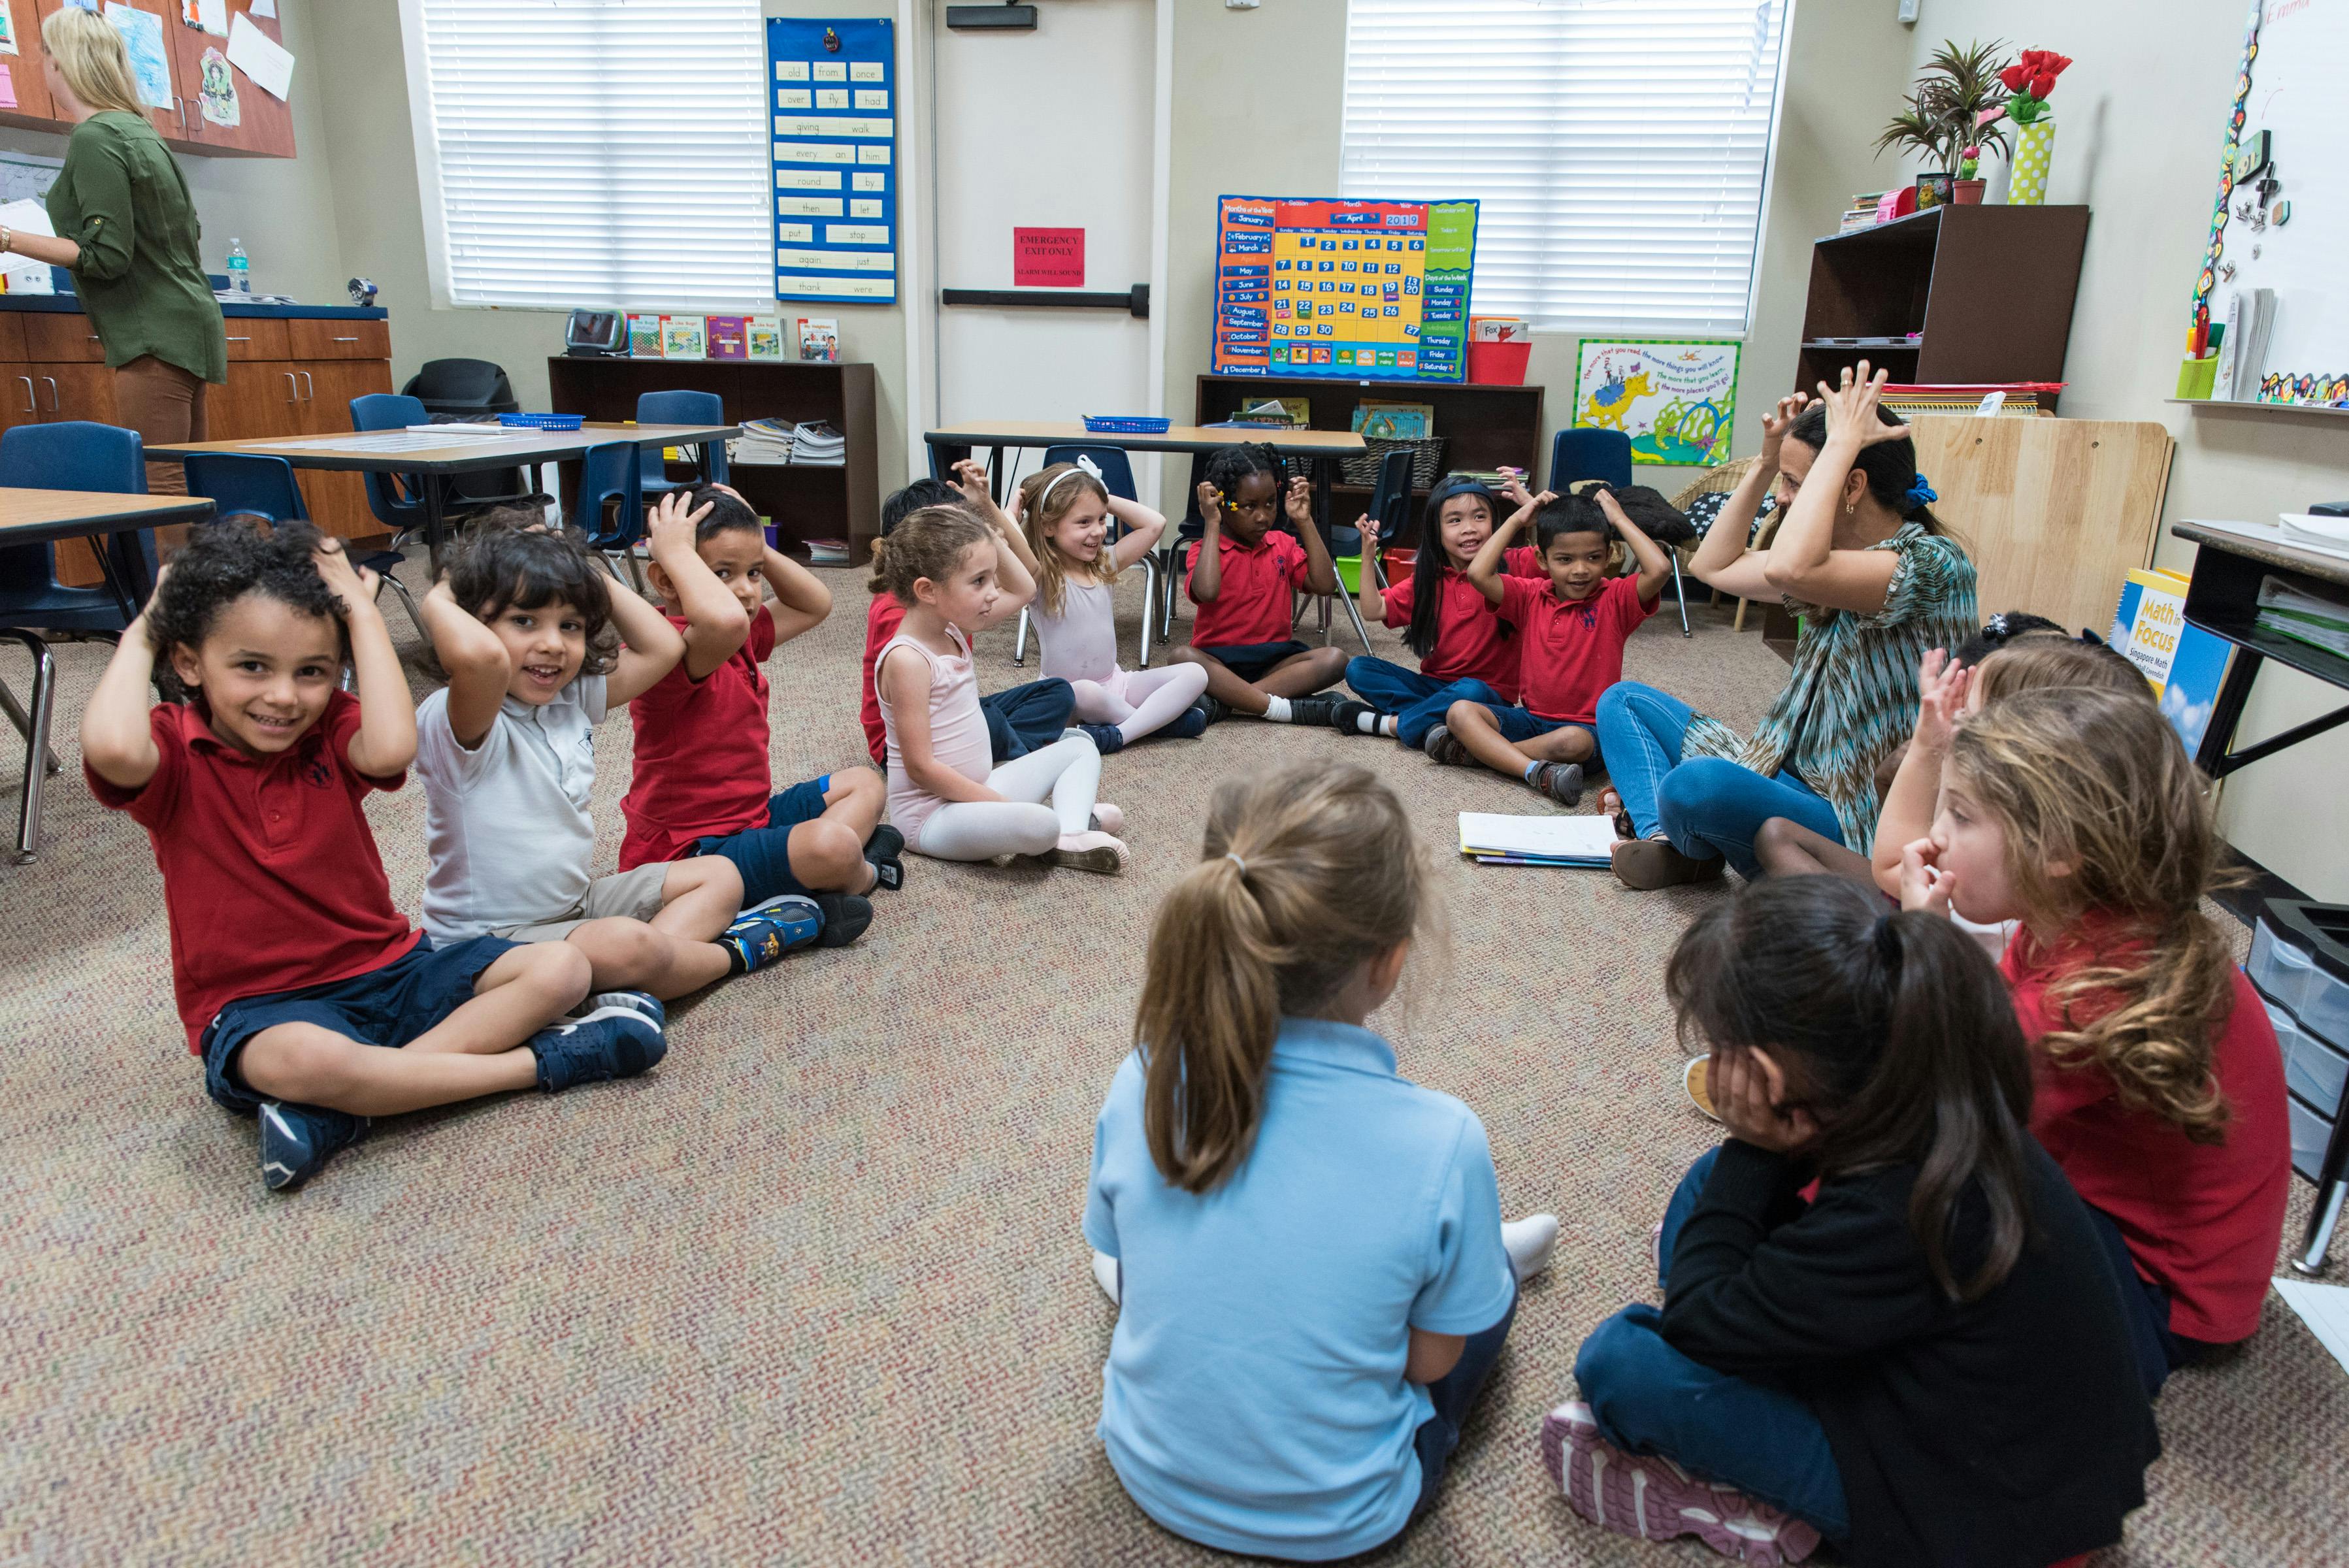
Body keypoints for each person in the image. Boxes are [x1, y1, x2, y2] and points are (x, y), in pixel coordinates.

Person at [1558, 876, 2157, 1568]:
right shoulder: (1925, 1086)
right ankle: (1751, 1318)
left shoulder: (1894, 1207)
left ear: (1766, 1077)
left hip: (1986, 1517)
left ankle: (1767, 1507)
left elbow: (1692, 1324)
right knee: (1709, 1186)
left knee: (1623, 1364)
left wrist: (1754, 1146)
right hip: (1981, 1415)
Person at [80, 520, 665, 1191]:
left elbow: (391, 750)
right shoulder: (171, 749)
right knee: (304, 1063)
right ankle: (541, 1064)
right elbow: (113, 749)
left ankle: (348, 1110)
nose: (283, 696)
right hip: (263, 1005)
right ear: (188, 663)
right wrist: (148, 626)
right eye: (252, 667)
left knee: (562, 968)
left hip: (391, 969)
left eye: (312, 672)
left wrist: (361, 612)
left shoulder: (329, 729)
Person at [1083, 763, 1559, 1561]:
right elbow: (1425, 1362)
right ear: (1390, 961)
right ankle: (1481, 1262)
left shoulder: (1143, 1074)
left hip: (1146, 1470)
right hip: (1345, 1518)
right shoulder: (1443, 1140)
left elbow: (1120, 1257)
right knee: (1486, 1311)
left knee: (1161, 1272)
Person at [1901, 687, 2292, 1392]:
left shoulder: (2089, 994)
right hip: (2119, 1223)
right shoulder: (2089, 924)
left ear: (2058, 852)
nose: (1935, 836)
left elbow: (1938, 1107)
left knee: (1895, 1216)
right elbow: (1987, 1039)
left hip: (2159, 1295)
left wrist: (1922, 947)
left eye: (1959, 815)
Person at [1593, 366, 1977, 889]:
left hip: (1853, 815)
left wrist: (1840, 445)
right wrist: (1767, 462)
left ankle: (1689, 839)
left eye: (1794, 483)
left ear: (1852, 485)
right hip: (1780, 770)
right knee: (1622, 702)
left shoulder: (1932, 563)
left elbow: (1790, 570)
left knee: (1695, 785)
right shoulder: (1829, 560)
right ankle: (1668, 840)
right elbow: (1713, 566)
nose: (1782, 497)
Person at [415, 502, 814, 998]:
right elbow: (481, 661)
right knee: (624, 945)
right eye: (524, 621)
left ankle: (650, 975)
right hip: (489, 941)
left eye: (569, 626)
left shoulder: (570, 698)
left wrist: (582, 568)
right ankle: (730, 954)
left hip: (575, 907)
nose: (553, 644)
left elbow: (663, 648)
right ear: (471, 624)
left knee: (720, 876)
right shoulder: (458, 717)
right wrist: (446, 591)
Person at [618, 483, 890, 942]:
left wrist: (756, 544)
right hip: (692, 853)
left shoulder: (738, 633)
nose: (746, 590)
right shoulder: (670, 649)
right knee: (832, 846)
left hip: (751, 818)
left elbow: (815, 603)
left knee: (864, 783)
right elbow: (721, 622)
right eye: (723, 573)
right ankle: (862, 875)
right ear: (666, 580)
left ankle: (811, 880)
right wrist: (673, 549)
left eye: (754, 573)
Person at [2, 9, 225, 497]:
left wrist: (6, 237)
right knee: (187, 474)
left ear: (58, 62)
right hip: (189, 322)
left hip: (153, 335)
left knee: (161, 480)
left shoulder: (95, 137)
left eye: (44, 54)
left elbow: (106, 256)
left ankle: (173, 556)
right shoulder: (141, 131)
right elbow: (186, 230)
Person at [1755, 628, 2151, 894]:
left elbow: (1893, 865)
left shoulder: (2004, 857)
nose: (1956, 719)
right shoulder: (2015, 827)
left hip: (1923, 924)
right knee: (1775, 835)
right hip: (1915, 901)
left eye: (1970, 713)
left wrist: (1929, 747)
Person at [874, 504, 1127, 872]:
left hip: (979, 789)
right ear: (928, 590)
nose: (993, 592)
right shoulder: (907, 660)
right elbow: (920, 768)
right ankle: (1064, 825)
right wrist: (1004, 806)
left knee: (1079, 745)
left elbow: (1025, 588)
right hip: (931, 817)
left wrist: (985, 533)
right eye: (979, 582)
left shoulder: (952, 626)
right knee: (1040, 823)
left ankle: (1071, 831)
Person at [1422, 487, 1673, 806]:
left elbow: (1660, 569)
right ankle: (1533, 770)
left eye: (1594, 557)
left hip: (1587, 730)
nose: (1580, 570)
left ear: (1609, 555)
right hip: (1530, 720)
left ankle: (1484, 755)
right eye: (1565, 560)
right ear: (1542, 559)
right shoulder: (1529, 595)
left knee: (1572, 742)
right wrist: (1517, 519)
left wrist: (1619, 518)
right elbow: (1478, 573)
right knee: (1460, 712)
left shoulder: (1616, 599)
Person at [860, 471, 1076, 770]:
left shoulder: (955, 591)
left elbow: (1030, 577)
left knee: (1057, 692)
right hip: (905, 741)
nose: (989, 592)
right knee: (990, 720)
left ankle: (1011, 747)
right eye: (955, 530)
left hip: (954, 713)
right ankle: (1025, 756)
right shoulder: (899, 611)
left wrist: (986, 510)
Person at [1330, 475, 1547, 747]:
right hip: (1433, 686)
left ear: (1495, 522)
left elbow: (1563, 548)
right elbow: (1374, 610)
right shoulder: (1428, 579)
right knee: (1359, 669)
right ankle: (1435, 721)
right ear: (1437, 530)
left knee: (1471, 690)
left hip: (1486, 697)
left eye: (1480, 517)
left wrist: (1538, 517)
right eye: (1455, 520)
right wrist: (1367, 557)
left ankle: (1395, 725)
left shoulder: (1517, 563)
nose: (1469, 529)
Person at [1015, 460, 1208, 752]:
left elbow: (1155, 523)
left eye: (1101, 519)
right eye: (1084, 522)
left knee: (1196, 673)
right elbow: (1012, 549)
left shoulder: (1103, 564)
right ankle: (1154, 725)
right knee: (1085, 691)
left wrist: (1101, 494)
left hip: (1117, 684)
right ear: (1048, 526)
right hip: (1068, 695)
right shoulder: (1041, 574)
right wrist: (1010, 515)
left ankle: (1123, 731)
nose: (1097, 531)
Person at [1170, 444, 1349, 725]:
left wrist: (1304, 521)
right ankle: (1280, 706)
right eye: (1249, 506)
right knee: (1182, 658)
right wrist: (1212, 523)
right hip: (1219, 662)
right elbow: (1207, 592)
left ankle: (1231, 703)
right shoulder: (1205, 550)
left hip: (1274, 663)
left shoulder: (1283, 544)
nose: (1263, 516)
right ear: (1223, 503)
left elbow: (1326, 585)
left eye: (1270, 503)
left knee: (1336, 659)